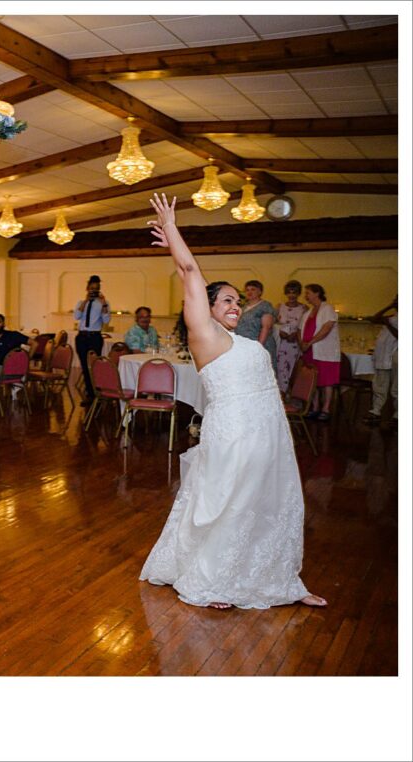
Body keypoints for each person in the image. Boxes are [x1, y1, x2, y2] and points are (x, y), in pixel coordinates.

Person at [139, 193, 325, 610]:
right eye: (227, 299)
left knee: (266, 504)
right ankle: (213, 580)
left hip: (267, 433)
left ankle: (279, 579)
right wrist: (171, 228)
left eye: (238, 301)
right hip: (234, 432)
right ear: (204, 307)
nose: (235, 305)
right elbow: (189, 270)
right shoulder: (204, 334)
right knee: (228, 502)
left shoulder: (241, 339)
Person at [298, 283, 340, 422]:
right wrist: (302, 343)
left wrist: (310, 342)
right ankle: (314, 406)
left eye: (308, 293)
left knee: (326, 380)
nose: (306, 296)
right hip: (309, 350)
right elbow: (299, 330)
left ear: (317, 293)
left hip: (323, 351)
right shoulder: (308, 311)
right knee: (313, 380)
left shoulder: (327, 308)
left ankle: (326, 408)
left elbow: (326, 328)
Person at [73, 275, 111, 405]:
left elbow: (106, 320)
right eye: (92, 288)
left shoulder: (103, 303)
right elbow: (76, 316)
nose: (94, 291)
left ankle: (98, 392)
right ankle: (90, 394)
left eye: (96, 289)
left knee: (95, 366)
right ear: (87, 289)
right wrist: (85, 301)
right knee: (84, 366)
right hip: (82, 337)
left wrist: (104, 303)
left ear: (99, 289)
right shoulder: (80, 302)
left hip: (95, 337)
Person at [363, 296, 398, 426]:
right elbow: (374, 319)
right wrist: (389, 306)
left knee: (397, 388)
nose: (396, 301)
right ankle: (376, 411)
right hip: (383, 355)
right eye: (395, 299)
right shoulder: (393, 316)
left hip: (396, 356)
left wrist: (388, 323)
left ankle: (398, 415)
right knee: (379, 385)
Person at [236, 279, 277, 372]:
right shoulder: (244, 307)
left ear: (260, 292)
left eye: (253, 289)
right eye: (247, 290)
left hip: (259, 345)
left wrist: (258, 347)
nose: (249, 292)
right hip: (245, 347)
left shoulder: (265, 306)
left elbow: (266, 328)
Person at [275, 280, 308, 395]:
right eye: (289, 292)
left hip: (295, 343)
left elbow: (306, 326)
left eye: (294, 292)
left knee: (294, 370)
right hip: (281, 343)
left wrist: (296, 334)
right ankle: (281, 395)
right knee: (280, 369)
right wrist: (280, 331)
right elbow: (274, 324)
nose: (291, 295)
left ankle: (293, 395)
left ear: (298, 294)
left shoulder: (304, 308)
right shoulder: (280, 307)